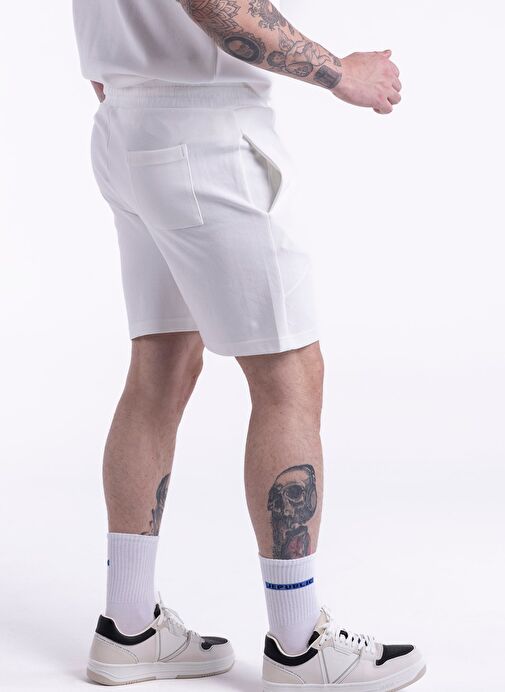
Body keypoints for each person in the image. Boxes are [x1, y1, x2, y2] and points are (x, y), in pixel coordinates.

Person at [72, 1, 425, 689]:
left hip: (125, 125)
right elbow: (217, 5)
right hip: (204, 134)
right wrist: (340, 73)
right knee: (288, 375)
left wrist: (131, 67)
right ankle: (298, 647)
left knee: (160, 367)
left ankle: (128, 629)